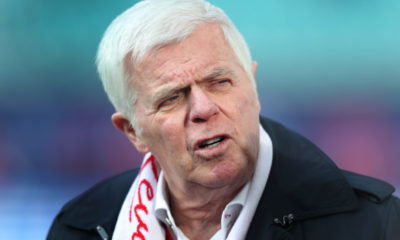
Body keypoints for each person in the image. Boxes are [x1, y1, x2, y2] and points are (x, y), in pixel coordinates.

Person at [47, 0, 400, 239]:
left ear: (253, 84)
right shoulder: (81, 227)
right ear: (132, 131)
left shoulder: (373, 225)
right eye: (172, 98)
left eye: (220, 82)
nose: (203, 109)